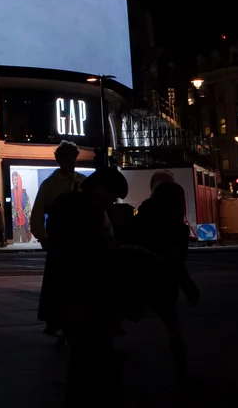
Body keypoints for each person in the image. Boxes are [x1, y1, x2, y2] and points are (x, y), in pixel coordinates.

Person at [45, 168, 121, 406]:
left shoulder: (80, 207)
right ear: (101, 190)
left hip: (82, 295)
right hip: (84, 295)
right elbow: (75, 257)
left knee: (85, 356)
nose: (112, 201)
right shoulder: (83, 212)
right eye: (112, 195)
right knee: (89, 356)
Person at [132, 180, 199, 388]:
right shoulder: (174, 226)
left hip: (139, 277)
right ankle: (183, 374)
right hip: (163, 280)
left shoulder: (143, 217)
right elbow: (176, 260)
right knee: (172, 326)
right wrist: (188, 287)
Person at [33, 141, 86, 337]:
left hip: (77, 237)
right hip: (60, 237)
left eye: (72, 158)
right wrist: (43, 235)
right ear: (60, 160)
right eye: (67, 159)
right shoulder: (50, 184)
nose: (70, 162)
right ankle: (55, 320)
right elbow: (38, 212)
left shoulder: (80, 181)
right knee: (57, 281)